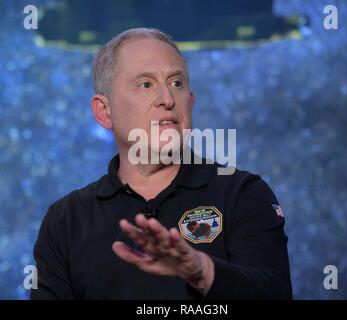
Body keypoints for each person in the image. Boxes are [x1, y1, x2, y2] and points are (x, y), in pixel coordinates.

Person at [30, 28, 292, 300]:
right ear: (104, 112)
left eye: (177, 83)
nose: (167, 99)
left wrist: (203, 272)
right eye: (146, 84)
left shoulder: (243, 194)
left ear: (190, 102)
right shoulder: (66, 221)